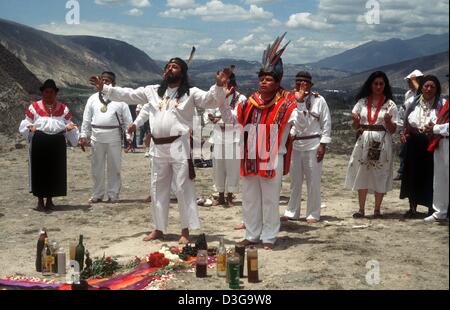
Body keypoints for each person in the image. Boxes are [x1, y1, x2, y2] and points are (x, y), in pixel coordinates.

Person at [90, 57, 228, 244]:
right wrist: (105, 89)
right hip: (158, 146)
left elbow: (211, 100)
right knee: (157, 188)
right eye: (168, 66)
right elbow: (128, 94)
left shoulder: (191, 93)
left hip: (179, 145)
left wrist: (218, 85)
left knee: (183, 188)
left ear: (183, 72)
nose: (170, 69)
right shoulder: (152, 91)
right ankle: (159, 228)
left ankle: (185, 231)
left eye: (175, 66)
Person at [219, 34, 308, 249]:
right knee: (250, 198)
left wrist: (301, 103)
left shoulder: (287, 104)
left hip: (272, 156)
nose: (263, 82)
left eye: (268, 79)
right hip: (250, 156)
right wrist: (222, 100)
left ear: (277, 82)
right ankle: (252, 234)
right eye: (261, 79)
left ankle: (269, 236)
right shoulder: (249, 102)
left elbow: (302, 126)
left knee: (269, 199)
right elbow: (232, 121)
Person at [345, 71, 398, 218]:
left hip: (382, 141)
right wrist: (355, 121)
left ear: (385, 85)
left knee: (380, 173)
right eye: (376, 83)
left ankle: (377, 209)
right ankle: (361, 209)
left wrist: (388, 121)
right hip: (364, 141)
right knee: (363, 172)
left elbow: (393, 130)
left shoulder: (390, 104)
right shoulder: (362, 102)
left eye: (381, 84)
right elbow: (355, 126)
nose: (379, 86)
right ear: (371, 84)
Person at [19, 79, 79, 211]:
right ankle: (40, 201)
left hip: (57, 142)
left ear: (55, 93)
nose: (48, 94)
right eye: (46, 92)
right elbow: (25, 122)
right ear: (42, 93)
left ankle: (50, 200)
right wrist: (30, 127)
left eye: (51, 92)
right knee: (39, 170)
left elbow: (70, 123)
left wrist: (71, 130)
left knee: (55, 170)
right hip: (40, 141)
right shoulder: (34, 107)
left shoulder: (63, 108)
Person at [282, 71, 332, 224]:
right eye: (298, 83)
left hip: (313, 143)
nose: (301, 85)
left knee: (313, 180)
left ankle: (313, 213)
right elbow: (292, 122)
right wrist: (290, 134)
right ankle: (292, 211)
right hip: (297, 144)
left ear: (310, 85)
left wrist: (323, 145)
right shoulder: (291, 99)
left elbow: (326, 123)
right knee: (295, 180)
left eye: (304, 83)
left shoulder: (319, 100)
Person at [79, 72, 133, 203]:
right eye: (102, 80)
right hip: (96, 136)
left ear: (113, 83)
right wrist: (83, 135)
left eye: (107, 80)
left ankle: (113, 194)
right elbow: (86, 119)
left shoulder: (120, 100)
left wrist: (129, 136)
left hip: (114, 136)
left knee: (115, 167)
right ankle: (97, 194)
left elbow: (128, 121)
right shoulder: (92, 99)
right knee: (97, 167)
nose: (104, 82)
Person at [401, 75, 444, 218]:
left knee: (431, 176)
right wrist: (404, 134)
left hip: (433, 144)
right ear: (422, 87)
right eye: (426, 86)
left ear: (437, 89)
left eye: (432, 86)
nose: (429, 89)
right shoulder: (413, 103)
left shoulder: (441, 104)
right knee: (412, 174)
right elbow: (406, 122)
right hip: (414, 144)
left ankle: (432, 208)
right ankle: (412, 207)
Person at [205, 72, 246, 207]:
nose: (224, 87)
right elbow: (207, 115)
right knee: (218, 167)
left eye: (226, 84)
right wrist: (211, 117)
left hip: (233, 137)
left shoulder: (241, 99)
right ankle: (220, 195)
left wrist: (219, 117)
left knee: (232, 168)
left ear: (232, 86)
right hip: (217, 136)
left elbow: (236, 118)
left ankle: (230, 196)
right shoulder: (215, 98)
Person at [395, 70, 423, 181]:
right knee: (404, 150)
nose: (409, 83)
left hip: (419, 127)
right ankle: (402, 171)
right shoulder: (408, 94)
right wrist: (401, 130)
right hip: (408, 127)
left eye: (411, 81)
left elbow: (421, 95)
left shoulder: (424, 92)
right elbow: (404, 111)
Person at [424, 96, 448, 222]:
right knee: (439, 179)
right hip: (441, 141)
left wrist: (435, 128)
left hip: (445, 138)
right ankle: (440, 212)